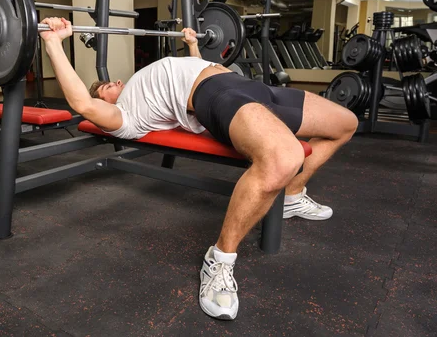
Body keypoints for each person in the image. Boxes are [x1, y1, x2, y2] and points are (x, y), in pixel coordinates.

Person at [39, 17, 358, 321]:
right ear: (104, 102)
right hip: (218, 95)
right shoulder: (124, 117)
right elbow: (82, 104)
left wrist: (193, 44)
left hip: (244, 83)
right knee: (284, 158)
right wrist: (53, 42)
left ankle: (290, 195)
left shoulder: (135, 83)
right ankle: (219, 260)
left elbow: (190, 68)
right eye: (107, 86)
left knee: (346, 123)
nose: (117, 82)